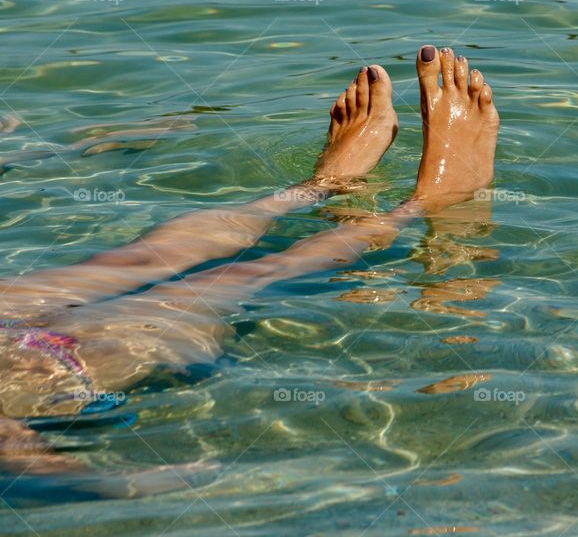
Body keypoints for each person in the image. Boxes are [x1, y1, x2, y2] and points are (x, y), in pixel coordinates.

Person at [0, 45, 499, 498]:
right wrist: (115, 484)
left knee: (134, 260)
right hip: (44, 366)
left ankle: (320, 185)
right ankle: (429, 201)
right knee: (227, 281)